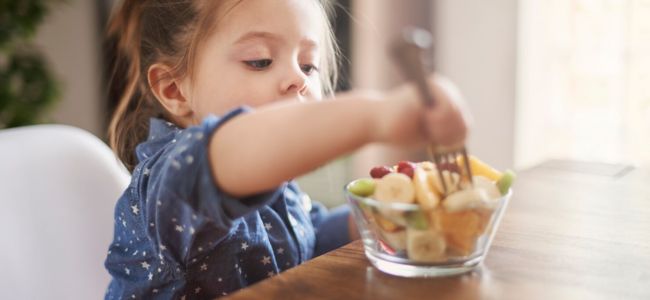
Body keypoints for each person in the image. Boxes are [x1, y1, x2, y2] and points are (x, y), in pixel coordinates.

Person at [103, 0, 470, 298]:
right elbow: (239, 147)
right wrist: (377, 115)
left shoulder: (274, 184)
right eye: (260, 61)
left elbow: (304, 239)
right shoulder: (171, 181)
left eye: (309, 65)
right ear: (173, 89)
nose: (298, 78)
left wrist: (381, 216)